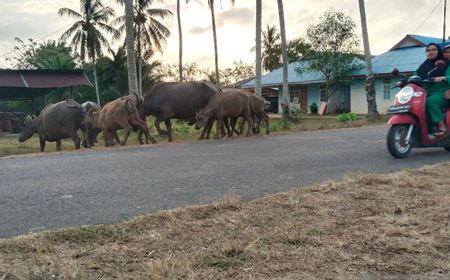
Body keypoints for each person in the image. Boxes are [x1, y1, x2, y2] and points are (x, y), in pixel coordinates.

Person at [414, 43, 449, 135]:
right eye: (428, 50)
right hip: (426, 91)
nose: (431, 52)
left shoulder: (445, 63)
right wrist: (404, 80)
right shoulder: (423, 66)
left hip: (442, 91)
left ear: (439, 51)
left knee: (431, 101)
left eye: (434, 50)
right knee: (415, 102)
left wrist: (444, 78)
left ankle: (442, 127)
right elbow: (415, 74)